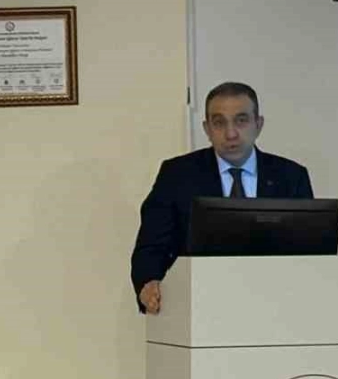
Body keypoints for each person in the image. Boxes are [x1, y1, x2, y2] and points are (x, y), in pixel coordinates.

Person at [129, 81, 313, 314]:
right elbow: (152, 246)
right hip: (201, 307)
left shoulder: (291, 176)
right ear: (207, 129)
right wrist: (148, 283)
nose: (230, 133)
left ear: (258, 124)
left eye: (241, 120)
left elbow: (311, 253)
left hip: (278, 306)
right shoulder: (177, 175)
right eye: (219, 123)